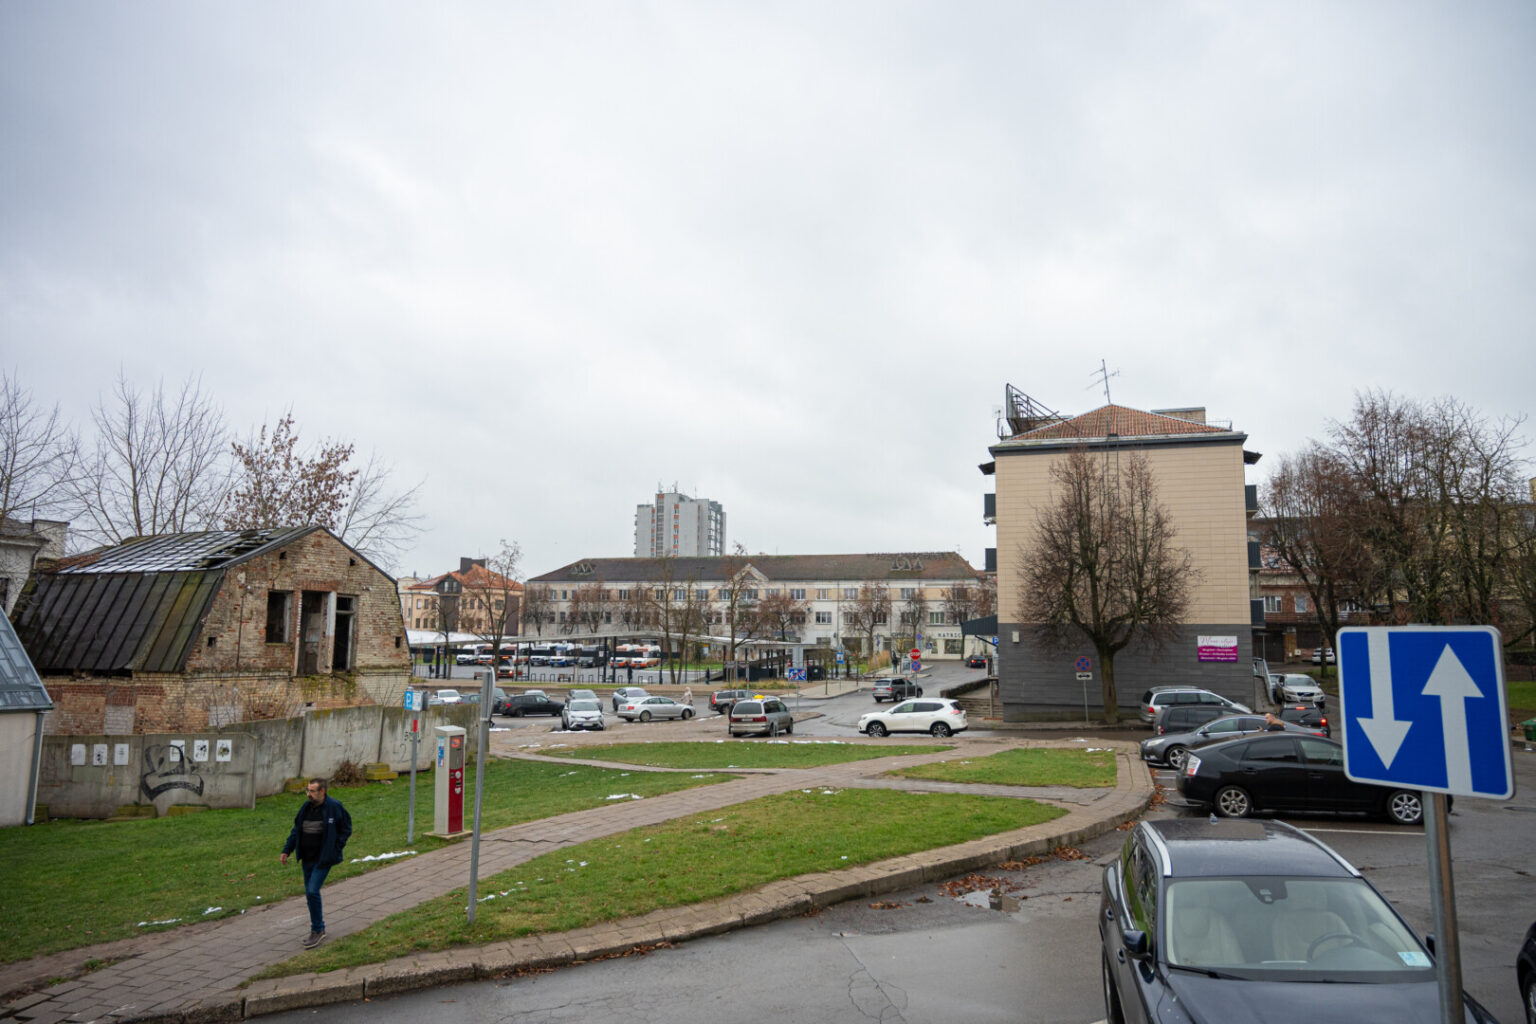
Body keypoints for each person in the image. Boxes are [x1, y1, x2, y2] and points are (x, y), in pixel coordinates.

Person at [280, 777, 352, 949]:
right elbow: (297, 829)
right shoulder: (306, 808)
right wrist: (286, 850)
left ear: (322, 792)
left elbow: (346, 828)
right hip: (307, 857)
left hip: (323, 859)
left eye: (312, 791)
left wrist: (335, 847)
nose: (308, 794)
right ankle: (318, 928)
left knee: (312, 891)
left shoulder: (334, 807)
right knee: (310, 894)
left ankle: (317, 930)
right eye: (308, 790)